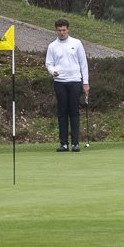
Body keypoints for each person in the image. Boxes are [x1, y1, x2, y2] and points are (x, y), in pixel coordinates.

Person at [44, 18, 90, 151]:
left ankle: (75, 143)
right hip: (60, 82)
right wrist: (53, 72)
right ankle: (64, 143)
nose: (62, 33)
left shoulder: (76, 43)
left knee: (74, 112)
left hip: (75, 81)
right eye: (59, 30)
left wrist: (85, 82)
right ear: (56, 31)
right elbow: (49, 63)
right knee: (62, 112)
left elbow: (83, 63)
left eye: (64, 30)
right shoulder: (52, 46)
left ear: (68, 30)